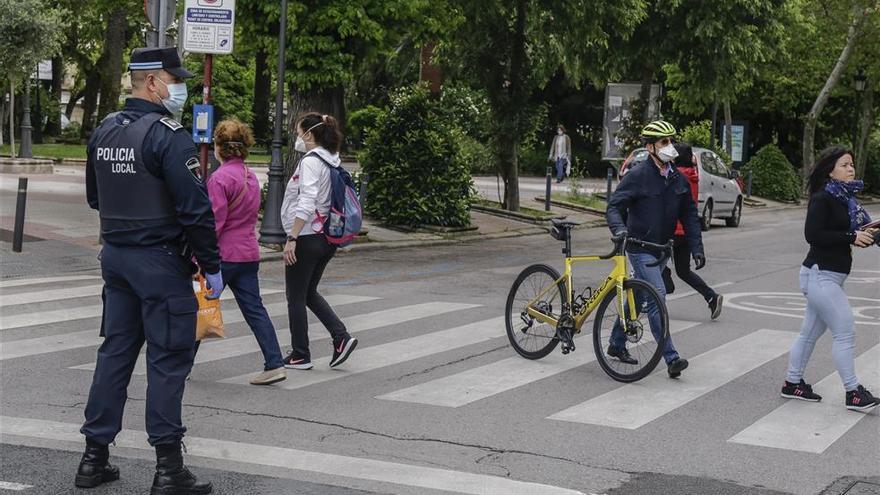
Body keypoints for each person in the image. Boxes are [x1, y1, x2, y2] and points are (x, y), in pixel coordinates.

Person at [78, 47, 218, 494]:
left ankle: (93, 459)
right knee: (168, 360)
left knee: (115, 355)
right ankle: (169, 469)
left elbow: (95, 199)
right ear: (153, 82)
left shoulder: (104, 131)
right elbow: (195, 210)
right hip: (159, 262)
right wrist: (212, 267)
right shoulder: (167, 135)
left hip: (116, 259)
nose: (180, 88)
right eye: (175, 80)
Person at [780, 146, 880, 412]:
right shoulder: (823, 198)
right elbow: (813, 235)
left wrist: (868, 235)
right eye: (845, 164)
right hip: (819, 275)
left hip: (828, 277)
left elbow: (851, 232)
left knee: (810, 333)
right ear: (830, 170)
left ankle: (792, 383)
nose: (851, 169)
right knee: (845, 332)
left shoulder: (845, 199)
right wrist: (851, 237)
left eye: (851, 164)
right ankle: (853, 392)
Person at [605, 120, 705, 378]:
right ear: (650, 147)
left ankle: (616, 343)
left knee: (638, 297)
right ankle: (671, 357)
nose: (670, 147)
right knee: (656, 295)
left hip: (662, 248)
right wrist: (619, 230)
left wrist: (696, 248)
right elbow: (614, 207)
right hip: (639, 247)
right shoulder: (638, 175)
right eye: (664, 142)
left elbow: (690, 216)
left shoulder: (677, 179)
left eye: (671, 141)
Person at [205, 119, 286, 385]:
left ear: (219, 146)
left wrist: (199, 256)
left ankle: (179, 365)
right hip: (248, 253)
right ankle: (274, 363)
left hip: (223, 255)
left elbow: (214, 222)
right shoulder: (250, 176)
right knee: (255, 310)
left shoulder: (219, 178)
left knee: (200, 308)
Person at [280, 112, 357, 370]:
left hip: (307, 237)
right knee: (308, 293)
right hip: (326, 238)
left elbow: (306, 200)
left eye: (299, 132)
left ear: (310, 134)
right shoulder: (332, 160)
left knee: (295, 297)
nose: (298, 138)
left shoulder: (311, 161)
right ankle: (341, 337)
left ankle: (300, 354)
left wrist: (292, 237)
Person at [663, 142, 723, 319]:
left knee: (654, 263)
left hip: (673, 230)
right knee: (683, 271)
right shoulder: (693, 175)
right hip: (687, 232)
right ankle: (711, 296)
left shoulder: (676, 176)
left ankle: (662, 288)